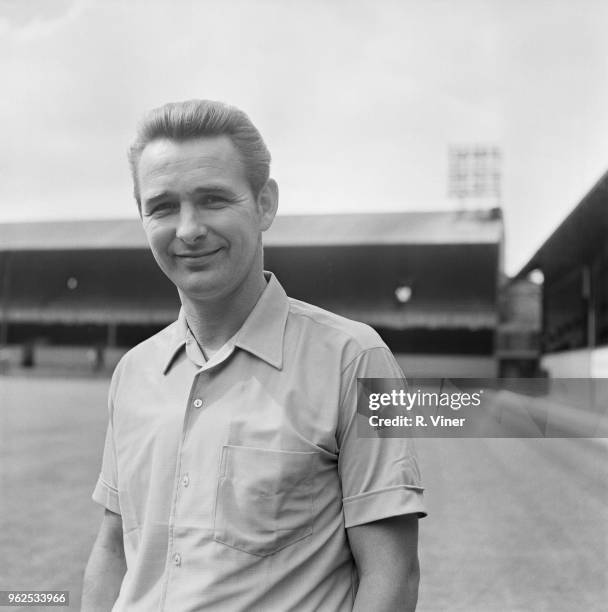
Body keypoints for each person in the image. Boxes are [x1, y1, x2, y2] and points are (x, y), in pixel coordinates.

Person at [82, 99, 426, 611]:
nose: (189, 229)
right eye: (162, 206)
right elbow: (114, 548)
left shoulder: (354, 359)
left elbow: (391, 576)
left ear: (265, 203)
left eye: (213, 199)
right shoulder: (134, 372)